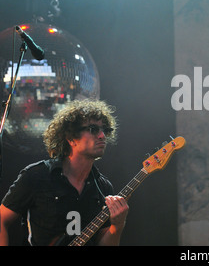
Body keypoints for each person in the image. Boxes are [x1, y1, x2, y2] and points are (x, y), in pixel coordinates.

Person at [0, 99, 129, 246]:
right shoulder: (36, 175)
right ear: (71, 138)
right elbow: (1, 220)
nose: (102, 136)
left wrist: (117, 226)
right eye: (93, 129)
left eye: (104, 130)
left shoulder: (103, 187)